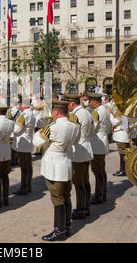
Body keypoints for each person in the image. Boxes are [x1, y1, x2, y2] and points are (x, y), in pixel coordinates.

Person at [33, 100, 80, 241]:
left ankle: (59, 230)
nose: (52, 114)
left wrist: (39, 132)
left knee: (57, 198)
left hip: (54, 165)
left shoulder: (51, 126)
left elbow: (37, 143)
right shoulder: (74, 126)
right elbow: (76, 142)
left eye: (53, 111)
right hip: (66, 162)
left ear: (57, 112)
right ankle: (67, 226)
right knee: (66, 196)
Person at [64, 94, 94, 220]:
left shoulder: (75, 115)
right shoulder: (87, 112)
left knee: (78, 182)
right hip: (86, 146)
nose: (67, 107)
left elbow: (72, 133)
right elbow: (92, 130)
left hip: (78, 149)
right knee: (85, 180)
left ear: (72, 103)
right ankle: (85, 206)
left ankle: (81, 209)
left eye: (67, 104)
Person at [88, 93, 112, 204]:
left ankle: (99, 195)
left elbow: (92, 128)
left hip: (97, 143)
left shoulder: (96, 112)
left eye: (90, 101)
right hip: (102, 140)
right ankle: (103, 192)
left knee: (97, 170)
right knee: (101, 170)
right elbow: (108, 128)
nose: (89, 103)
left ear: (94, 101)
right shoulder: (105, 110)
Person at [12, 99, 36, 195]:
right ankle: (28, 185)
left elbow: (17, 130)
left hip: (22, 143)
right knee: (28, 165)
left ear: (23, 105)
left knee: (23, 166)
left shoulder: (23, 115)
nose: (19, 106)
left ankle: (23, 187)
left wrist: (13, 124)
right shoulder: (32, 113)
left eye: (20, 104)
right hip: (29, 140)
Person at [110, 106, 131, 177]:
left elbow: (114, 122)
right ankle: (125, 169)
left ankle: (123, 170)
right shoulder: (126, 113)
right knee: (124, 154)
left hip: (121, 137)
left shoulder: (122, 114)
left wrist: (110, 114)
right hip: (124, 136)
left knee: (122, 154)